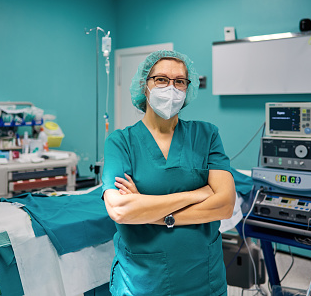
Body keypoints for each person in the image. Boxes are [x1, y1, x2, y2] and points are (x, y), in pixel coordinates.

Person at [101, 50, 236, 296]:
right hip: (144, 281)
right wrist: (196, 194)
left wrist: (149, 211)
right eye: (161, 79)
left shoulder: (207, 135)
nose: (171, 88)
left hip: (202, 277)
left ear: (187, 89)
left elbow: (225, 205)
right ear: (145, 85)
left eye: (179, 81)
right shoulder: (121, 142)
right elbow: (120, 210)